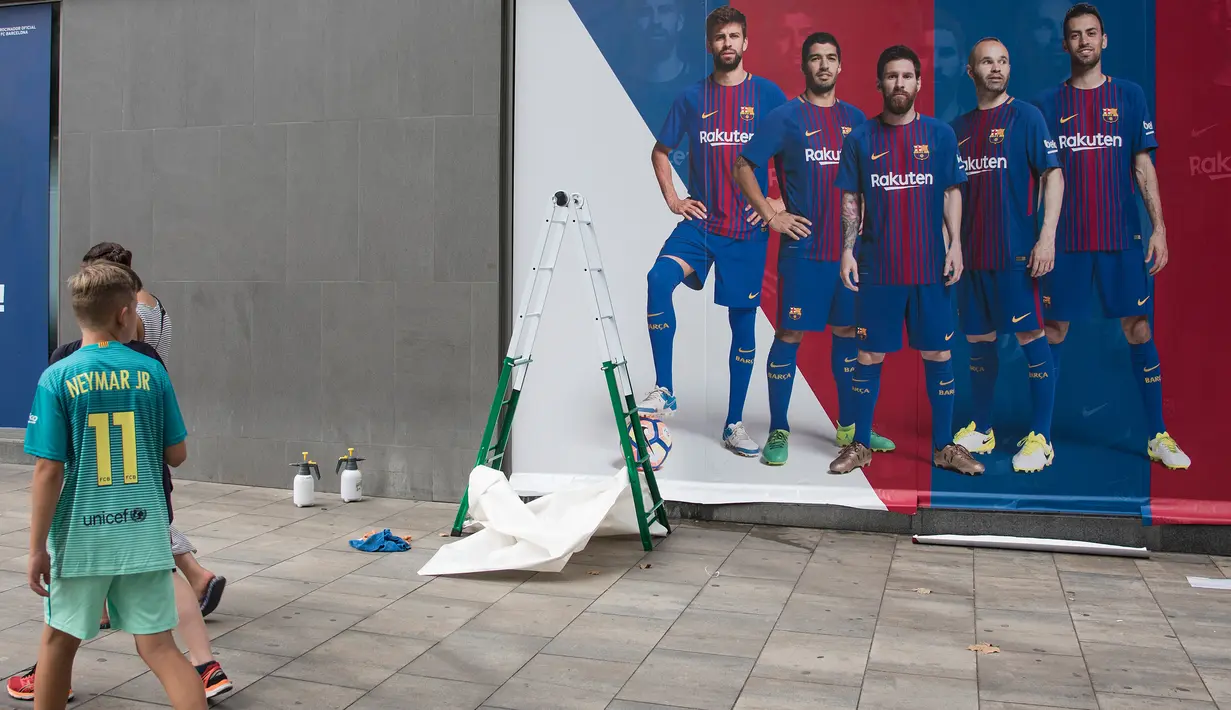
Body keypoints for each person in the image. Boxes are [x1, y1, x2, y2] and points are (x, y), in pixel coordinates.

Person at [7, 266, 233, 703]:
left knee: (59, 643)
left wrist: (36, 548)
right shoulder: (152, 372)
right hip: (143, 533)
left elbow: (47, 470)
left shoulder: (57, 377)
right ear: (125, 313)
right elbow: (176, 454)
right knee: (161, 647)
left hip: (81, 540)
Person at [1031, 2, 1190, 469]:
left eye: (1091, 33)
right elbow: (1040, 177)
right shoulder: (1046, 104)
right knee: (1053, 330)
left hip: (1121, 239)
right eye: (1075, 34)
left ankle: (1157, 435)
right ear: (1065, 45)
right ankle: (1040, 436)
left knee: (1138, 328)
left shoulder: (1130, 96)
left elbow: (1143, 166)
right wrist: (1041, 236)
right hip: (1068, 242)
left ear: (1105, 41)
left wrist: (1158, 227)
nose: (1084, 41)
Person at [733, 31, 896, 465]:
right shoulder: (785, 117)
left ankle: (850, 428)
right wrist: (772, 215)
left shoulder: (858, 119)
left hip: (849, 254)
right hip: (803, 253)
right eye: (815, 59)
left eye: (831, 59)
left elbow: (868, 184)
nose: (824, 66)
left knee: (847, 334)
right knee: (790, 334)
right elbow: (743, 165)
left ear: (841, 67)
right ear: (804, 66)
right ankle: (779, 429)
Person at [637, 5, 788, 457]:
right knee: (657, 279)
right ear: (710, 45)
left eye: (734, 36)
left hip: (746, 228)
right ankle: (664, 388)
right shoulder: (691, 98)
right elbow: (660, 152)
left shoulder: (767, 95)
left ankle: (734, 423)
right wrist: (673, 199)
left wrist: (779, 203)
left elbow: (794, 151)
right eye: (720, 37)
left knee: (742, 326)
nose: (727, 44)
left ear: (746, 43)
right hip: (703, 225)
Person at [828, 44, 985, 476]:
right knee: (868, 356)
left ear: (919, 82)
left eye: (907, 76)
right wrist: (846, 249)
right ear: (879, 83)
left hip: (930, 269)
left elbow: (953, 191)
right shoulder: (860, 138)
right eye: (891, 76)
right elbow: (850, 200)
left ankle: (943, 447)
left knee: (938, 354)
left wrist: (955, 245)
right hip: (879, 269)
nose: (899, 83)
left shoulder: (940, 136)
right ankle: (860, 445)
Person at [78, 243, 225, 615]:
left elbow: (127, 358)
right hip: (153, 409)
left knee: (130, 509)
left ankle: (191, 576)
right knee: (143, 507)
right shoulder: (155, 303)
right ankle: (188, 578)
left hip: (128, 416)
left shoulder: (130, 314)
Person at [949, 37, 1065, 472]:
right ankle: (982, 427)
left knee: (1032, 339)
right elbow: (949, 195)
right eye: (987, 62)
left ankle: (1042, 438)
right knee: (978, 341)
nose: (996, 68)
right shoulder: (958, 129)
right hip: (972, 260)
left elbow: (1053, 175)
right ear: (971, 70)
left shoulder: (1026, 116)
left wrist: (1046, 237)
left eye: (1003, 61)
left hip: (1016, 256)